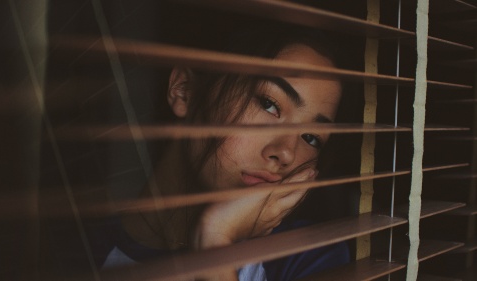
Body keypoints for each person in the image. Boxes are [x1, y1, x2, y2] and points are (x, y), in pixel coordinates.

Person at [101, 24, 350, 281]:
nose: (287, 153)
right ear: (185, 91)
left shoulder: (308, 258)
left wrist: (215, 240)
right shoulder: (79, 251)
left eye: (311, 138)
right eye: (269, 104)